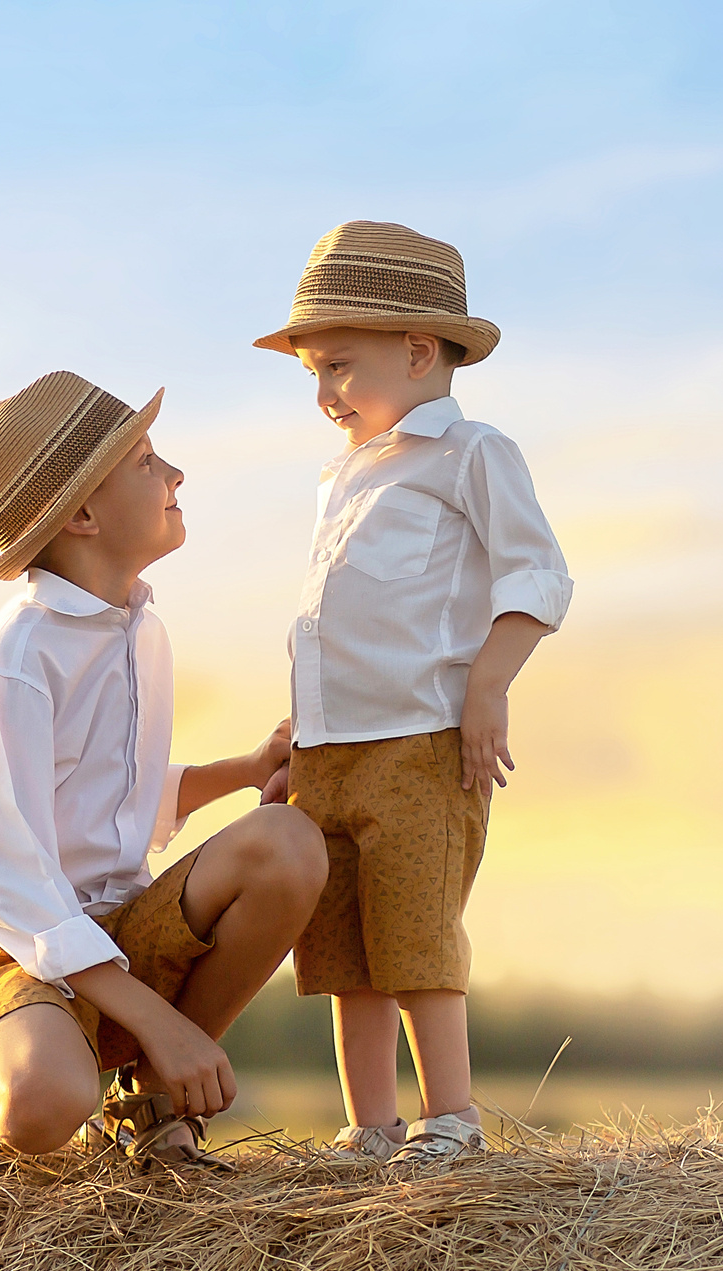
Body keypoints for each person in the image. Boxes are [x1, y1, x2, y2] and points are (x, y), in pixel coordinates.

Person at [0, 371, 327, 1167]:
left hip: (115, 922)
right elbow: (14, 887)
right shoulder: (20, 660)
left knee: (289, 842)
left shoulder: (142, 629)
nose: (174, 474)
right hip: (8, 948)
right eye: (145, 462)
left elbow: (116, 793)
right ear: (81, 514)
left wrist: (245, 770)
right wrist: (163, 1021)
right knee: (47, 1101)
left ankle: (149, 1106)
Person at [252, 221, 573, 1163]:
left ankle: (453, 1120)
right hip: (331, 752)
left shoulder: (469, 454)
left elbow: (540, 576)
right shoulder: (345, 479)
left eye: (339, 368)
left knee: (416, 930)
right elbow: (337, 620)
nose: (323, 395)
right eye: (314, 373)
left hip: (421, 742)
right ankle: (370, 1126)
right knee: (345, 947)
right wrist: (301, 728)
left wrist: (488, 685)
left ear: (421, 351)